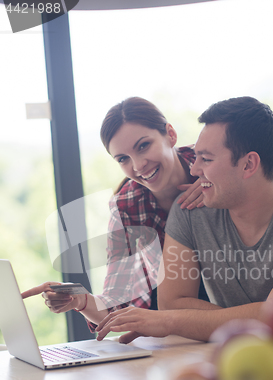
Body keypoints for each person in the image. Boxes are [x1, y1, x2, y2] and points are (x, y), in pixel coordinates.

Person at [94, 96, 273, 344]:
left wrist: (171, 321)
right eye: (195, 157)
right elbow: (170, 303)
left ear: (249, 164)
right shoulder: (188, 211)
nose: (194, 171)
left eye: (206, 159)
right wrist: (258, 318)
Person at [22, 97, 208, 325]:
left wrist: (218, 186)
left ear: (170, 134)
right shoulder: (128, 205)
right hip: (178, 320)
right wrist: (80, 301)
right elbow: (118, 301)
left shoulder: (212, 167)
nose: (138, 166)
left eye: (143, 146)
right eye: (123, 159)